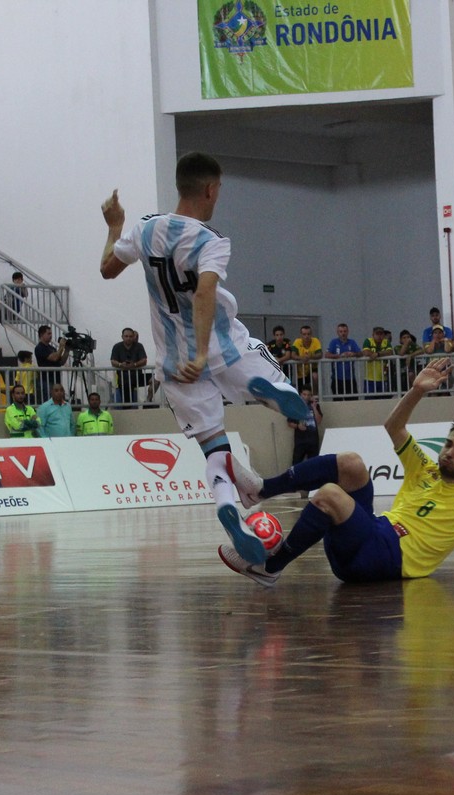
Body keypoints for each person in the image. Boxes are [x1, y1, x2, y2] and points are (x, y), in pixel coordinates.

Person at [99, 151, 312, 565]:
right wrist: (201, 352)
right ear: (211, 190)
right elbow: (204, 292)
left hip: (173, 364)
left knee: (214, 446)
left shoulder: (144, 228)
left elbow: (107, 269)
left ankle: (229, 508)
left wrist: (114, 227)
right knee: (279, 386)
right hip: (220, 345)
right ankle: (270, 390)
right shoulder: (210, 240)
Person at [218, 358, 454, 586]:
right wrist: (417, 390)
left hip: (388, 558)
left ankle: (270, 567)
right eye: (449, 444)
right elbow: (394, 427)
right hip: (371, 534)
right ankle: (262, 489)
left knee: (330, 494)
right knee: (351, 463)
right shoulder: (425, 468)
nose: (449, 452)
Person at [108, 326, 149, 405]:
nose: (128, 338)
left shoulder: (139, 346)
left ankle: (149, 399)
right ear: (122, 337)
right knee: (127, 404)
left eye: (130, 336)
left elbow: (144, 360)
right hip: (123, 379)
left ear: (133, 337)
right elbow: (113, 361)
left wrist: (134, 365)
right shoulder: (117, 346)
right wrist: (121, 364)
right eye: (126, 336)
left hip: (138, 377)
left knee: (156, 379)